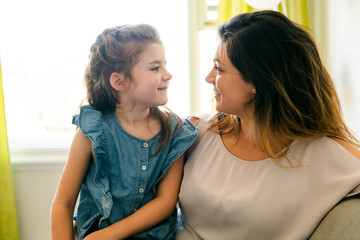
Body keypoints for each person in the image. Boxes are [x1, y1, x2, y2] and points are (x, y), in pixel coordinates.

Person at [176, 10, 360, 240]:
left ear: (256, 81)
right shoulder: (197, 132)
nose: (209, 77)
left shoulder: (324, 154)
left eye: (219, 68)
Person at [50, 24, 198, 240]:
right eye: (155, 68)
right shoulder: (92, 130)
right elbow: (63, 203)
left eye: (164, 65)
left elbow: (166, 202)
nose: (168, 75)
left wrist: (109, 235)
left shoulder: (175, 131)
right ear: (119, 81)